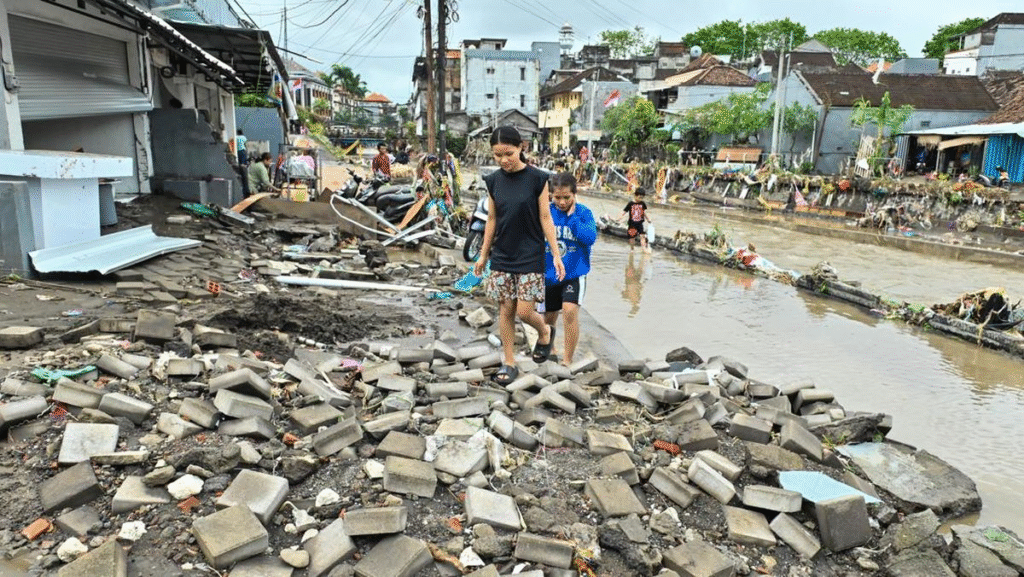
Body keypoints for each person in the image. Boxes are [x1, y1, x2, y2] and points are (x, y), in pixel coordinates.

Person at [474, 125, 565, 385]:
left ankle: (544, 332)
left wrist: (556, 255)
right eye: (497, 155)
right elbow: (492, 219)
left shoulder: (538, 179)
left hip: (530, 253)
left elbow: (545, 217)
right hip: (502, 254)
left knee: (525, 312)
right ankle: (509, 361)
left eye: (509, 154)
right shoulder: (493, 181)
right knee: (505, 310)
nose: (504, 160)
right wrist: (482, 256)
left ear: (521, 148)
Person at [541, 172, 597, 366]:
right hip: (549, 275)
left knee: (570, 311)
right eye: (557, 197)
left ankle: (567, 360)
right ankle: (551, 348)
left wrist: (573, 219)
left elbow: (589, 238)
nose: (562, 202)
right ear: (550, 195)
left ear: (575, 194)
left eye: (567, 197)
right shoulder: (546, 212)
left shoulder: (584, 213)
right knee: (549, 316)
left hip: (574, 273)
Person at [617, 187, 653, 253]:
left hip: (640, 223)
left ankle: (644, 249)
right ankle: (632, 249)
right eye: (639, 197)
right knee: (632, 238)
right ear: (635, 195)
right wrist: (619, 217)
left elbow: (644, 212)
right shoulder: (630, 204)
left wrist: (648, 219)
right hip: (632, 223)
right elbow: (624, 211)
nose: (640, 199)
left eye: (642, 198)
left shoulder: (642, 204)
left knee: (642, 236)